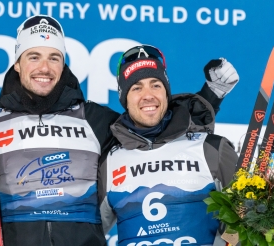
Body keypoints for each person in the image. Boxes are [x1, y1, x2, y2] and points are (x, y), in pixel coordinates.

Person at [0, 15, 239, 246]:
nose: (44, 67)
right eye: (34, 56)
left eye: (54, 57)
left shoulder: (95, 120)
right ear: (17, 64)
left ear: (63, 64)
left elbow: (151, 124)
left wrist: (210, 96)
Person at [97, 45, 239, 246]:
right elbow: (86, 234)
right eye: (137, 88)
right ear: (124, 99)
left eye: (156, 85)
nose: (148, 95)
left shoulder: (211, 149)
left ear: (166, 93)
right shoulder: (110, 161)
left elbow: (248, 223)